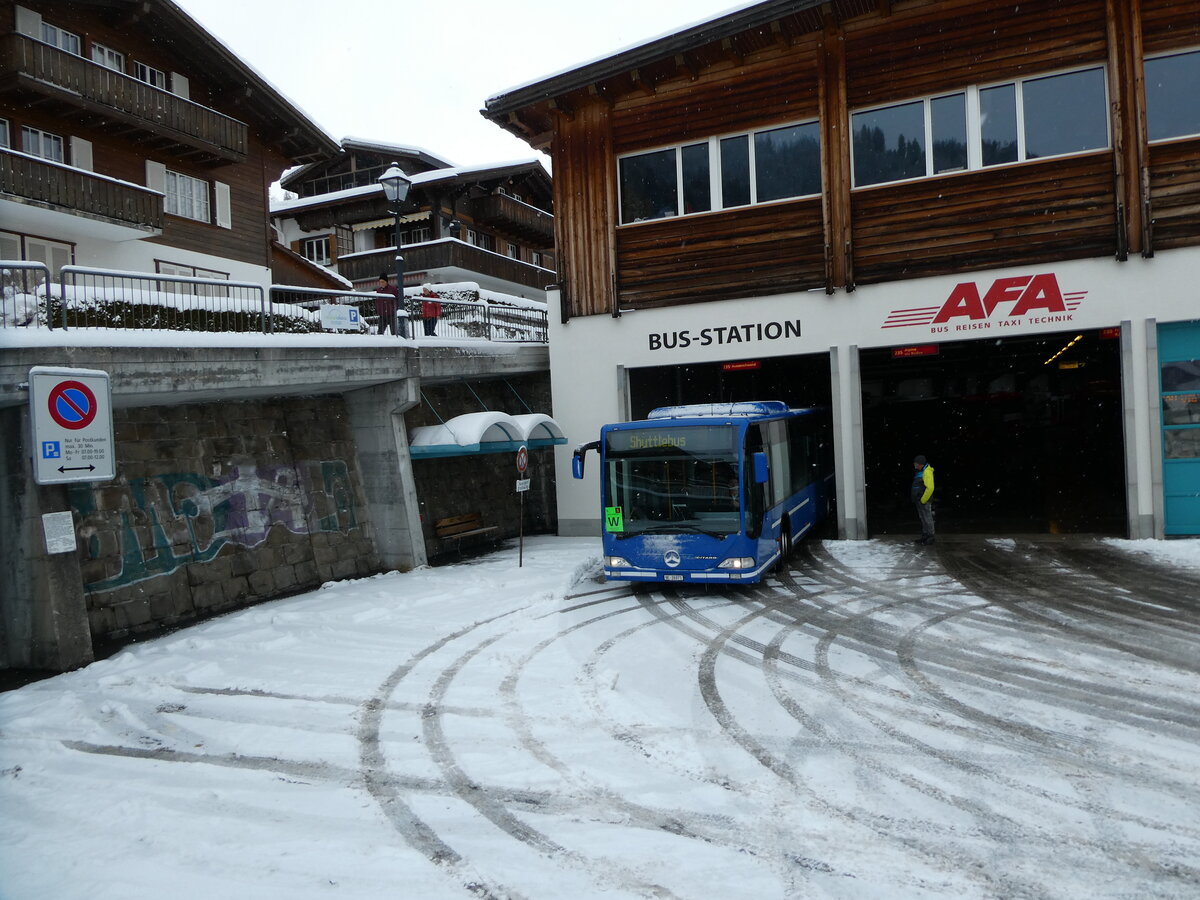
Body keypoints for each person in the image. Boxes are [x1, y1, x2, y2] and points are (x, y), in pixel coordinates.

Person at [911, 455, 935, 545]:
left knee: (927, 518)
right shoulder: (920, 471)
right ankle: (925, 536)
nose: (915, 465)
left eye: (916, 464)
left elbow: (930, 488)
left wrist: (923, 500)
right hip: (919, 500)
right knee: (923, 518)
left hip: (924, 500)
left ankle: (930, 537)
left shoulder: (927, 471)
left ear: (920, 464)